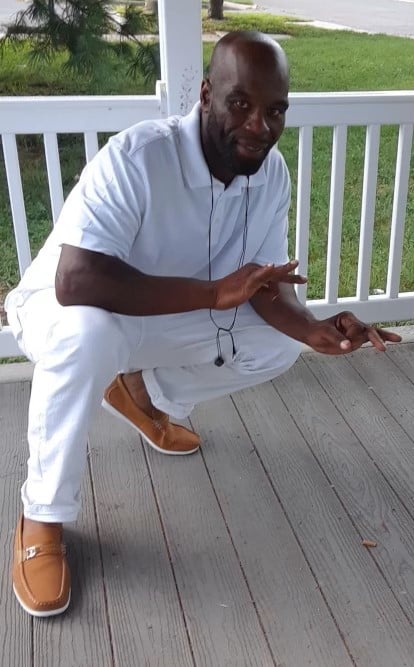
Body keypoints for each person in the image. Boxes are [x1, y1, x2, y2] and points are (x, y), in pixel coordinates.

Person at [5, 30, 401, 618]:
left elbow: (263, 287)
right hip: (66, 311)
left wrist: (314, 328)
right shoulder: (139, 157)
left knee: (277, 346)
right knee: (90, 335)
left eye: (276, 110)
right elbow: (76, 281)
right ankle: (42, 515)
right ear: (207, 94)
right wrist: (215, 293)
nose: (260, 126)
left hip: (161, 313)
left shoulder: (270, 173)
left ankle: (140, 393)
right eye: (241, 103)